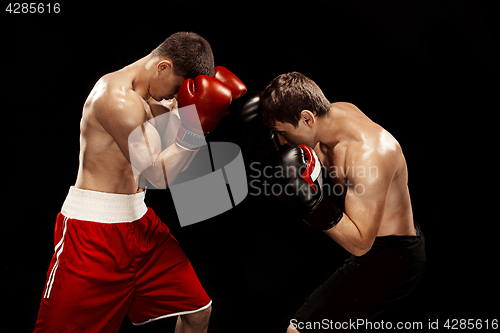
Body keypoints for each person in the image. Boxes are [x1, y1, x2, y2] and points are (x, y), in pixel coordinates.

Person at [34, 31, 246, 333]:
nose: (174, 98)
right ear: (163, 67)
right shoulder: (115, 98)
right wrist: (194, 127)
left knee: (198, 312)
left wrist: (206, 116)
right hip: (93, 234)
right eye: (175, 89)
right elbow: (157, 174)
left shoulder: (154, 95)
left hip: (140, 225)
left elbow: (173, 151)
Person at [260, 72, 426, 332]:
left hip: (394, 257)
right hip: (373, 246)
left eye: (281, 133)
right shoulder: (333, 113)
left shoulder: (369, 156)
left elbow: (360, 244)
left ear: (307, 118)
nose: (281, 142)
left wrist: (311, 204)